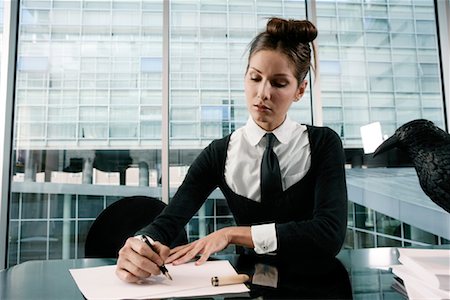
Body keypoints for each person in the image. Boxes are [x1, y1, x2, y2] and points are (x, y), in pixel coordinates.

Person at [116, 17, 348, 283]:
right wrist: (140, 244)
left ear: (300, 90)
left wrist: (231, 234)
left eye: (279, 83)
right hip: (244, 283)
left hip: (317, 285)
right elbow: (169, 221)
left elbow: (329, 234)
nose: (263, 93)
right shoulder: (218, 154)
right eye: (255, 78)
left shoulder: (323, 143)